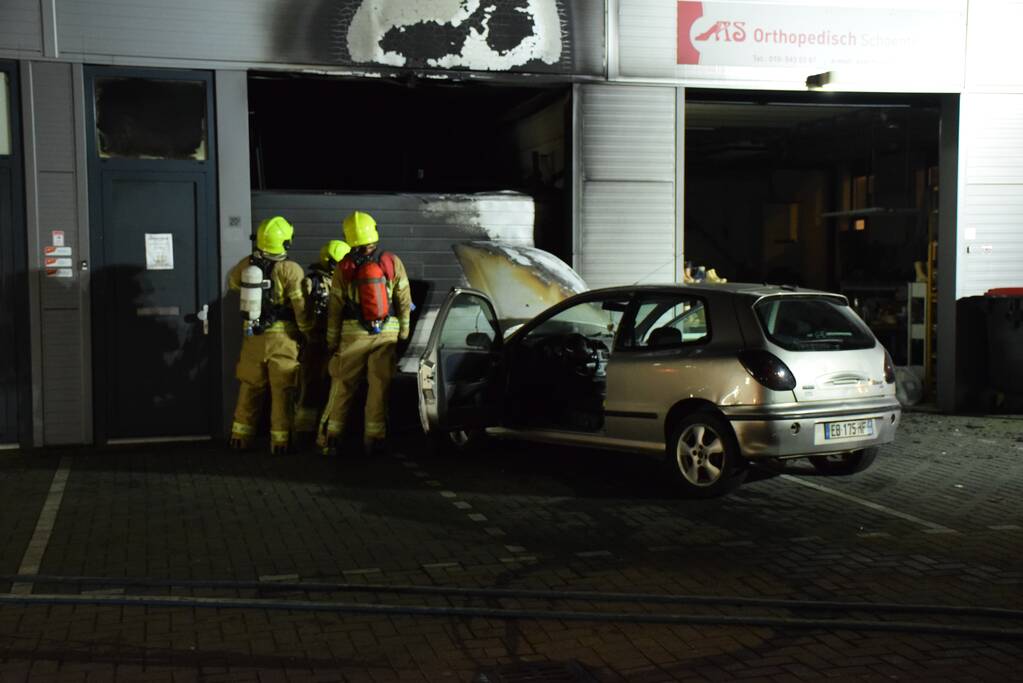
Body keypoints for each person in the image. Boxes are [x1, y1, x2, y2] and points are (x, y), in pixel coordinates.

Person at [319, 211, 412, 456]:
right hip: (387, 334)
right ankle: (374, 439)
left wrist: (331, 340)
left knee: (343, 385)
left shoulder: (344, 266)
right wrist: (403, 330)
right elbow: (404, 298)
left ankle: (332, 438)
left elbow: (335, 307)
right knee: (378, 386)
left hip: (353, 336)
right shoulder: (391, 261)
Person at [227, 216, 311, 454]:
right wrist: (308, 332)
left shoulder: (246, 264)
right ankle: (280, 442)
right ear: (285, 242)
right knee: (281, 391)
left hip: (253, 338)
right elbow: (301, 308)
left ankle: (239, 438)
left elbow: (233, 284)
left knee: (250, 388)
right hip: (282, 340)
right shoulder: (290, 269)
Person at [293, 239, 350, 449]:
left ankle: (326, 432)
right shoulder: (312, 282)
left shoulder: (344, 281)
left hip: (335, 343)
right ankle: (303, 434)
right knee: (309, 388)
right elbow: (302, 311)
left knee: (333, 388)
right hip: (315, 343)